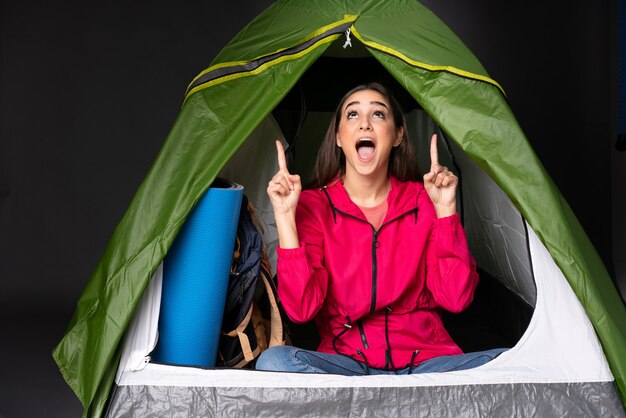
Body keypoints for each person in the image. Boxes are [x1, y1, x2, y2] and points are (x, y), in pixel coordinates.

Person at [256, 82, 506, 375]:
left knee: (513, 363)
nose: (364, 124)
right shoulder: (314, 205)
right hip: (348, 366)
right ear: (338, 137)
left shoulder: (425, 201)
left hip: (427, 364)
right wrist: (285, 216)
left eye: (378, 114)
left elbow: (456, 298)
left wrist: (446, 210)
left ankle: (379, 404)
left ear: (397, 135)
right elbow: (301, 310)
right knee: (274, 363)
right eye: (352, 115)